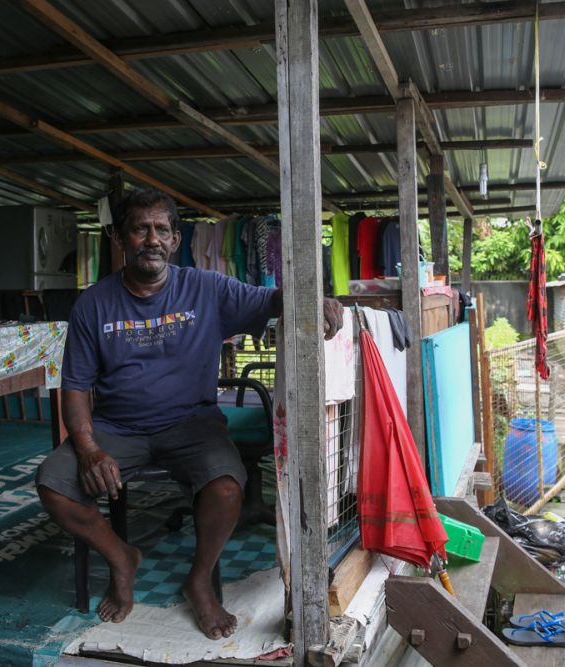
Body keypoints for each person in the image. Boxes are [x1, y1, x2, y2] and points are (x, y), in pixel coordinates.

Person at [36, 189, 343, 640]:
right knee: (53, 484)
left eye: (162, 229)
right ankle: (122, 558)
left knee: (225, 488)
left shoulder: (207, 288)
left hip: (192, 424)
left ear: (177, 239)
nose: (151, 239)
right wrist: (88, 449)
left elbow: (271, 299)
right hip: (117, 427)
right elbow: (77, 387)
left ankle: (199, 580)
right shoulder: (93, 304)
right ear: (122, 239)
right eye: (140, 229)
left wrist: (316, 299)